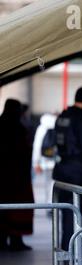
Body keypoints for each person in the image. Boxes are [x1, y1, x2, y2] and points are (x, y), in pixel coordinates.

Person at [53, 87, 82, 251]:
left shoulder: (63, 116)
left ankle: (66, 246)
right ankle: (72, 248)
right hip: (77, 168)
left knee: (66, 209)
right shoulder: (81, 118)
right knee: (75, 209)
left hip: (62, 167)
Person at [0, 99, 35, 251]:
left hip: (3, 178)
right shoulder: (19, 128)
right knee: (17, 210)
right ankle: (16, 239)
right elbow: (24, 152)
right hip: (17, 178)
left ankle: (2, 239)